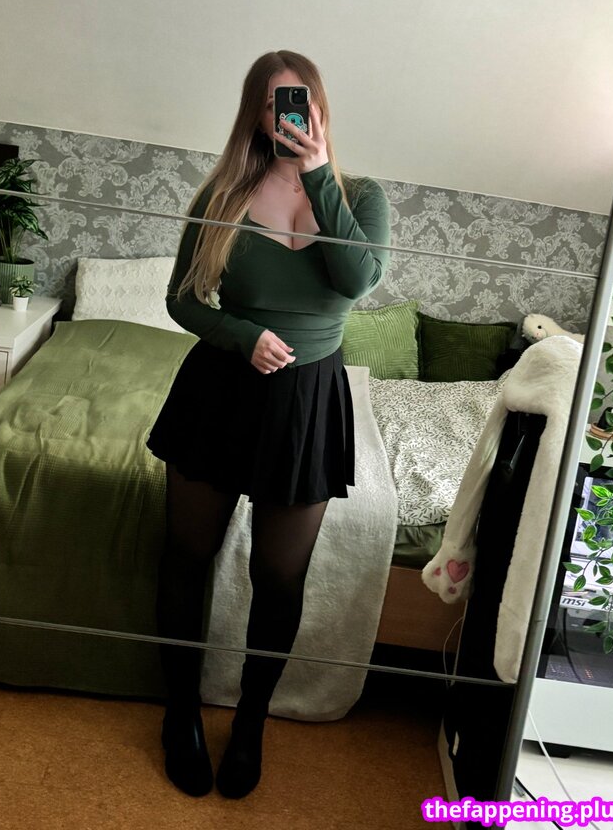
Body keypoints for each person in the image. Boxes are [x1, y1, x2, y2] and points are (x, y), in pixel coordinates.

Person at [146, 49, 390, 800]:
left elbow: (357, 280)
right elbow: (182, 300)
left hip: (308, 402)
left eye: (302, 99)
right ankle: (180, 713)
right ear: (256, 113)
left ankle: (250, 721)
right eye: (276, 102)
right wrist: (240, 335)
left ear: (320, 107)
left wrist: (317, 175)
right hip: (222, 389)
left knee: (279, 577)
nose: (291, 114)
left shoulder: (361, 197)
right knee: (187, 557)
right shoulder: (222, 194)